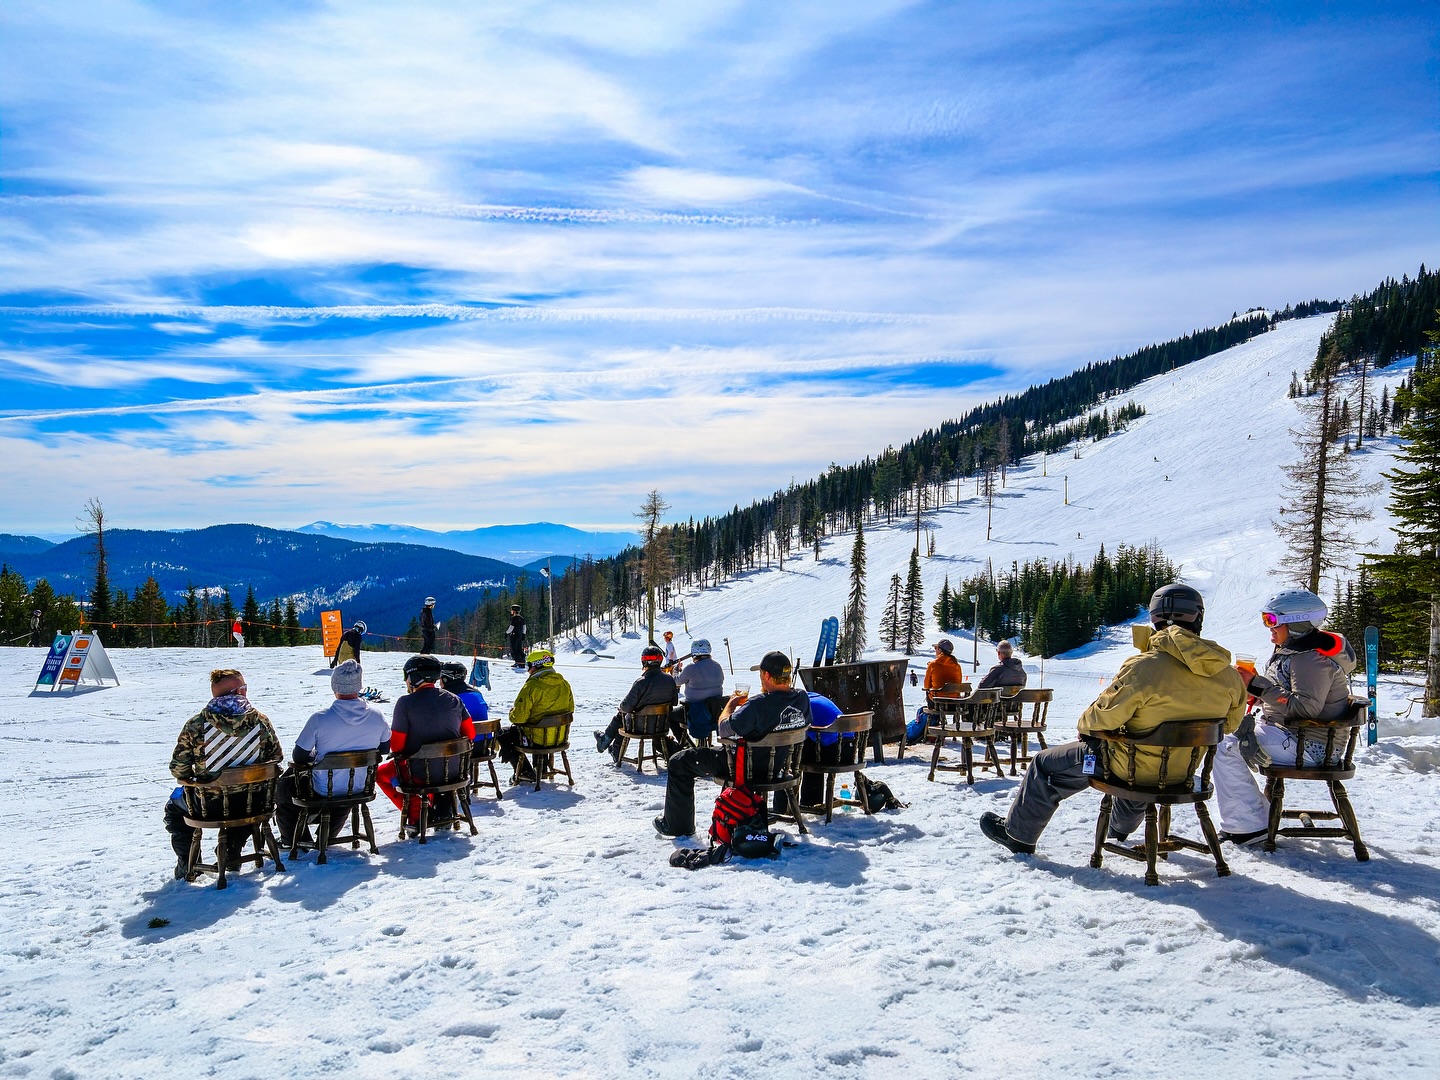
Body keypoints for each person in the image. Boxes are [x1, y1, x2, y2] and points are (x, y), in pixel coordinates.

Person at [979, 584, 1246, 855]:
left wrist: (1087, 727)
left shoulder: (1143, 667)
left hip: (1132, 768)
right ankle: (1118, 830)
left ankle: (1018, 835)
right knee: (1143, 760)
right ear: (1198, 618)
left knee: (1046, 764)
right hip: (1183, 772)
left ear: (1154, 620)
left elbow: (1099, 720)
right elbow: (1229, 725)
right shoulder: (1229, 676)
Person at [1211, 588, 1358, 845]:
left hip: (1311, 746)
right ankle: (1254, 819)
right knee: (1224, 738)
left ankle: (1251, 825)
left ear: (1296, 623)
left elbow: (1305, 709)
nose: (1270, 631)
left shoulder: (1312, 660)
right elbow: (1286, 697)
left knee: (1224, 745)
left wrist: (1258, 685)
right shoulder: (1295, 653)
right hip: (1292, 735)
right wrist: (1256, 693)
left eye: (1273, 622)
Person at [655, 651, 812, 838]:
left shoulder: (758, 704)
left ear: (768, 676)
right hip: (779, 765)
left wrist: (730, 704)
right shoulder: (802, 698)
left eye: (761, 674)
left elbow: (723, 729)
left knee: (679, 761)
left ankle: (677, 826)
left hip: (744, 766)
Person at [163, 668, 282, 879]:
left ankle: (187, 863)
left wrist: (197, 777)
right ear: (239, 692)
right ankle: (231, 849)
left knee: (174, 808)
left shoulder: (197, 725)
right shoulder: (260, 722)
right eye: (244, 688)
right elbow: (276, 757)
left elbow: (178, 768)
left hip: (211, 805)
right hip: (253, 801)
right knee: (246, 800)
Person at [274, 660, 391, 848]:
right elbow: (384, 749)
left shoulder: (320, 718)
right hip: (360, 786)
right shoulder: (377, 716)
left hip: (325, 787)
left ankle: (293, 838)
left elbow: (299, 757)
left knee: (286, 784)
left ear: (334, 686)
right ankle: (327, 835)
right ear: (359, 685)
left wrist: (319, 758)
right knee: (344, 784)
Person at [376, 655, 474, 823]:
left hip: (422, 772)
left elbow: (397, 747)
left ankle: (417, 814)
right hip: (455, 770)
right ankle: (441, 803)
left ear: (413, 677)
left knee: (380, 774)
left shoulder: (405, 703)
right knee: (428, 768)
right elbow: (470, 734)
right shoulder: (454, 699)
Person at [594, 645, 682, 763]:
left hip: (640, 727)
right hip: (661, 725)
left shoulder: (641, 682)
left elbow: (625, 706)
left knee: (621, 717)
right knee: (623, 716)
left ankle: (606, 744)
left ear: (644, 661)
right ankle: (607, 745)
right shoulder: (670, 680)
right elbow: (674, 702)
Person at [499, 646, 576, 776]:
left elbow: (519, 718)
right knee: (542, 727)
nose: (528, 670)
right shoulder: (564, 684)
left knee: (503, 734)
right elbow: (570, 709)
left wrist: (512, 713)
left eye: (528, 666)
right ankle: (541, 768)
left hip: (537, 739)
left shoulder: (532, 685)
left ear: (536, 666)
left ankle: (525, 772)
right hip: (559, 737)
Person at [675, 638, 727, 743]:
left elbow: (677, 682)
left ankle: (683, 744)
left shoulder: (691, 668)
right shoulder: (717, 666)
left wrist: (675, 670)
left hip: (694, 711)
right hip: (715, 713)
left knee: (670, 716)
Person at [441, 661, 494, 755]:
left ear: (445, 679)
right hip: (483, 745)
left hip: (462, 748)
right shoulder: (477, 693)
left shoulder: (447, 697)